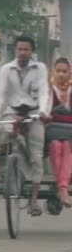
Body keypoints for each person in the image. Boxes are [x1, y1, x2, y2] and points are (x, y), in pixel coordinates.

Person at [0, 35, 50, 216]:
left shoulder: (40, 69)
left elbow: (44, 92)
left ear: (32, 51)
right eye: (20, 49)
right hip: (13, 112)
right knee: (7, 132)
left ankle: (33, 203)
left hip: (34, 113)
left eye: (26, 49)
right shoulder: (6, 69)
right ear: (15, 50)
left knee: (36, 156)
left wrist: (43, 111)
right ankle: (13, 166)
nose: (23, 52)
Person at [45, 57, 72, 207]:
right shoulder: (49, 89)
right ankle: (63, 188)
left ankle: (62, 188)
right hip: (53, 128)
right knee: (56, 146)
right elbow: (45, 109)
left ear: (70, 73)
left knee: (67, 147)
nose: (61, 74)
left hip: (70, 130)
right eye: (58, 71)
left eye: (64, 71)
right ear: (53, 72)